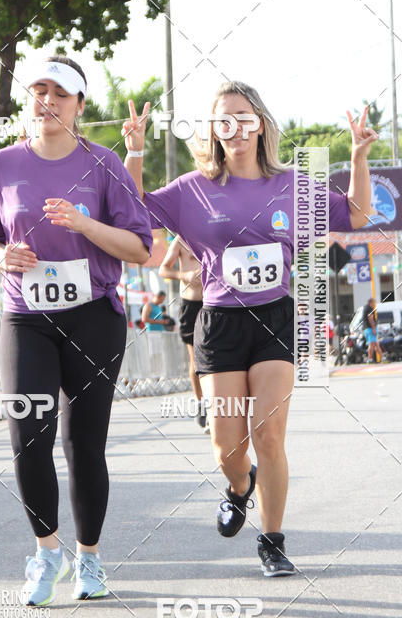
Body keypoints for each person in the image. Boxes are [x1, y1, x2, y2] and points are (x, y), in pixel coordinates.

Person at [122, 81, 376, 576]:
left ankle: (273, 541)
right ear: (214, 131)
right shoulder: (193, 189)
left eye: (243, 116)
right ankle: (240, 487)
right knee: (227, 448)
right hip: (219, 324)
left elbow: (359, 213)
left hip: (275, 319)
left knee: (270, 432)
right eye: (224, 119)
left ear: (260, 122)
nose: (234, 127)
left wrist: (360, 155)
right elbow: (133, 211)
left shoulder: (293, 186)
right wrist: (134, 152)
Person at [0, 54, 152, 606]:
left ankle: (91, 558)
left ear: (79, 105)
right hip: (26, 316)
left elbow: (142, 249)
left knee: (83, 443)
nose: (45, 100)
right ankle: (47, 551)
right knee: (27, 436)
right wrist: (6, 258)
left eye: (59, 92)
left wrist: (83, 223)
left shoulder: (103, 166)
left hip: (93, 316)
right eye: (37, 90)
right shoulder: (1, 164)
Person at [160, 235, 208, 431]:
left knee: (216, 358)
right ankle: (200, 404)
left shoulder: (209, 232)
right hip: (190, 304)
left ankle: (217, 406)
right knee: (195, 360)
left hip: (214, 304)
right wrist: (185, 276)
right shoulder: (180, 241)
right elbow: (163, 268)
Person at [361, 297, 382, 363]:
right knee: (372, 344)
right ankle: (369, 359)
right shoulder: (369, 308)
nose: (374, 304)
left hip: (367, 328)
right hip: (370, 328)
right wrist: (373, 328)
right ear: (371, 302)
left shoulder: (365, 307)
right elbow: (370, 317)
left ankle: (382, 358)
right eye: (374, 302)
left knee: (376, 344)